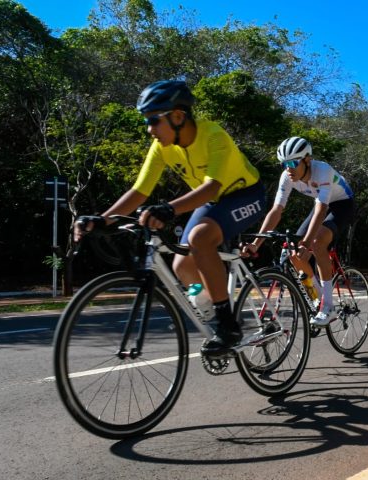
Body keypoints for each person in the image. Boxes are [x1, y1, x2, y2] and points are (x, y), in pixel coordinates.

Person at [73, 79, 266, 355]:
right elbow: (139, 191)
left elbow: (212, 187)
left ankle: (228, 324)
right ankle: (209, 304)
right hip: (211, 200)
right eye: (146, 122)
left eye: (153, 120)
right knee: (181, 266)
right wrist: (103, 219)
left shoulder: (213, 135)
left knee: (200, 239)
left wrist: (169, 208)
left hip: (246, 194)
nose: (149, 130)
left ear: (177, 116)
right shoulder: (162, 146)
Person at [242, 136, 355, 326]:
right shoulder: (287, 176)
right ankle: (319, 298)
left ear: (307, 160)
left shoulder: (322, 171)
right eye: (284, 164)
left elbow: (321, 209)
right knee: (293, 252)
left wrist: (307, 242)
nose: (289, 168)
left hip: (342, 204)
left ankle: (328, 307)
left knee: (318, 242)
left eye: (294, 162)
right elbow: (277, 210)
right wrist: (256, 244)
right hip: (321, 204)